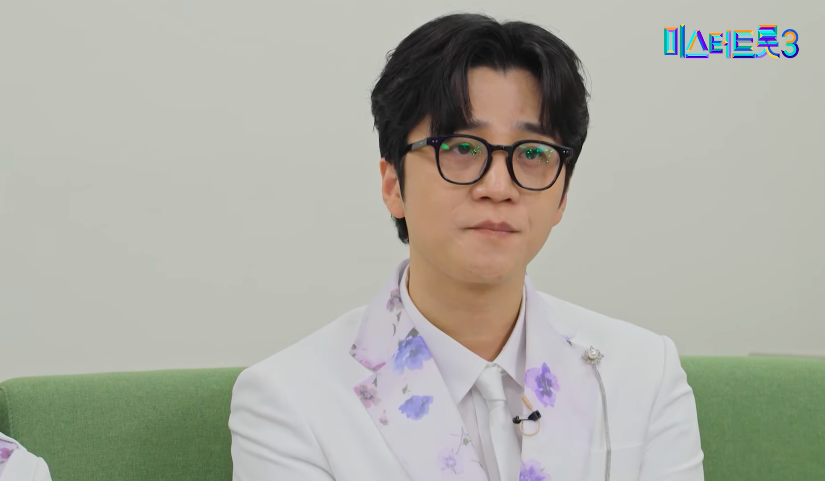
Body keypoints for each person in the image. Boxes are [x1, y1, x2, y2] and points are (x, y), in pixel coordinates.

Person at [229, 12, 704, 481]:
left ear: (563, 195)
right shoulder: (289, 402)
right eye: (460, 148)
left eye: (533, 153)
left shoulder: (644, 374)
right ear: (393, 185)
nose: (498, 187)